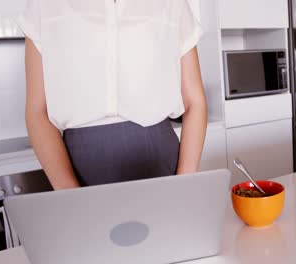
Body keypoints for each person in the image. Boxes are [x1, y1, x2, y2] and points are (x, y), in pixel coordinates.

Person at [17, 0, 207, 189]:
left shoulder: (173, 3)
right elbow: (36, 111)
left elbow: (195, 102)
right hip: (77, 168)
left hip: (162, 161)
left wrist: (185, 181)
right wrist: (69, 192)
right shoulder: (43, 4)